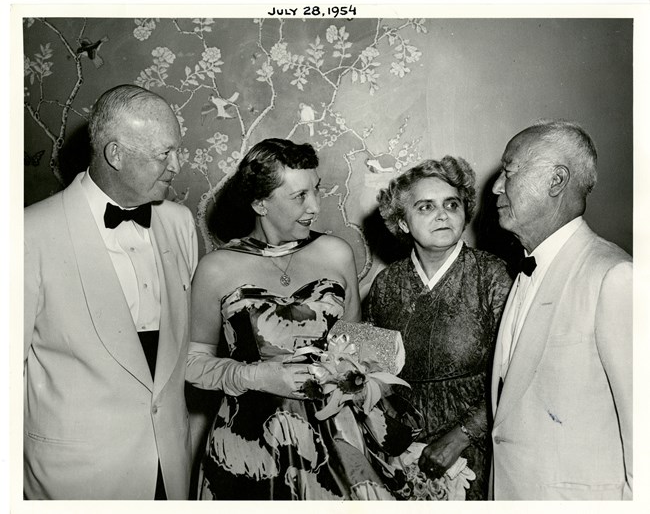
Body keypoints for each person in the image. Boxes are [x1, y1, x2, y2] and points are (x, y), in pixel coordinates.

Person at [186, 138, 415, 500]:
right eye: (299, 196)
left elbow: (355, 346)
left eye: (316, 191)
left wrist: (367, 369)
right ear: (260, 203)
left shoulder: (336, 254)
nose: (314, 207)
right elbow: (191, 363)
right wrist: (255, 375)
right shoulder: (216, 268)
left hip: (336, 442)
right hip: (250, 445)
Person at [24, 84, 198, 499]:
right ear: (115, 154)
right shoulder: (26, 234)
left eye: (178, 150)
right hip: (75, 478)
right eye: (164, 154)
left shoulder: (179, 223)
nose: (177, 165)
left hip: (170, 468)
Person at [489, 120, 632, 500]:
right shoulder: (524, 269)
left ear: (556, 181)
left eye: (509, 170)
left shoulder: (614, 276)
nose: (495, 187)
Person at [364, 157, 512, 500]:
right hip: (402, 452)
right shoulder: (386, 285)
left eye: (451, 204)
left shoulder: (493, 275)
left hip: (477, 447)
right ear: (402, 222)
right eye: (426, 207)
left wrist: (462, 435)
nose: (442, 214)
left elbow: (515, 374)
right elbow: (373, 376)